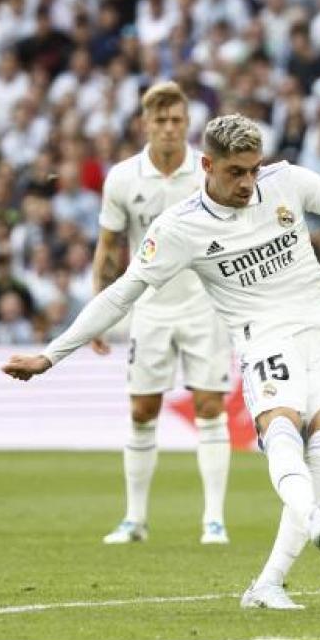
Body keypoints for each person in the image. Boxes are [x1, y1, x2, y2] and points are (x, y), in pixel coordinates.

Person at [3, 114, 320, 611]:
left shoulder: (286, 182)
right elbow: (121, 294)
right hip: (265, 340)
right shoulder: (179, 228)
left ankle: (269, 582)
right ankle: (313, 518)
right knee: (283, 425)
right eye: (236, 172)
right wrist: (50, 355)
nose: (249, 183)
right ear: (207, 165)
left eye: (253, 170)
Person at [91, 81, 235, 547]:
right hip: (150, 308)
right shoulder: (122, 178)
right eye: (160, 121)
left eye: (177, 120)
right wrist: (100, 311)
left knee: (210, 407)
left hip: (204, 305)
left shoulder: (209, 173)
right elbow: (110, 248)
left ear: (188, 124)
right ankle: (135, 520)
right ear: (145, 124)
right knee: (141, 409)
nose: (169, 128)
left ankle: (213, 520)